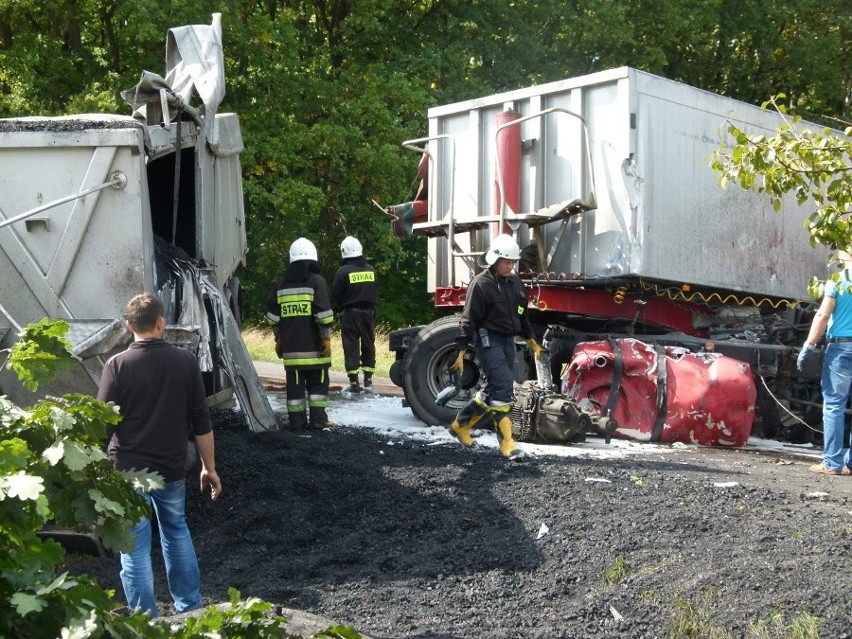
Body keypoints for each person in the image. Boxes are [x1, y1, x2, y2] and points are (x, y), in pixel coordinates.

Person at [97, 292, 222, 618]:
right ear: (161, 322)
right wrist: (210, 468)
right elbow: (201, 422)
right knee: (176, 530)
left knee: (135, 548)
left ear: (128, 326)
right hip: (171, 467)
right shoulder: (185, 362)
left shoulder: (117, 366)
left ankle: (144, 621)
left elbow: (101, 425)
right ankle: (189, 610)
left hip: (128, 470)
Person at [448, 233, 545, 461]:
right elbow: (467, 319)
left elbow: (522, 317)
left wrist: (533, 343)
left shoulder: (515, 284)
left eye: (513, 262)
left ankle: (460, 426)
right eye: (506, 262)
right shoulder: (481, 284)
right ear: (494, 260)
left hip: (508, 341)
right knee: (502, 388)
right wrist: (460, 351)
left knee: (492, 390)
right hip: (488, 340)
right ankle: (507, 445)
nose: (510, 266)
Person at [266, 237, 335, 429]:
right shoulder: (317, 282)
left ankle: (297, 422)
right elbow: (324, 316)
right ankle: (318, 420)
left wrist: (278, 337)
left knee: (294, 388)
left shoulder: (280, 285)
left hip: (292, 352)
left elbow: (272, 317)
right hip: (316, 351)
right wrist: (325, 338)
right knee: (318, 386)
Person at [797, 250, 852, 476]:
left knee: (834, 406)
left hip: (840, 349)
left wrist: (808, 346)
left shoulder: (838, 281)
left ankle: (832, 463)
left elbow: (822, 315)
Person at [332, 236, 378, 395]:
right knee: (368, 345)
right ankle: (369, 382)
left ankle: (354, 383)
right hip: (368, 313)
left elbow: (336, 295)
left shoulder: (343, 271)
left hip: (350, 313)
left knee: (350, 346)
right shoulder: (371, 269)